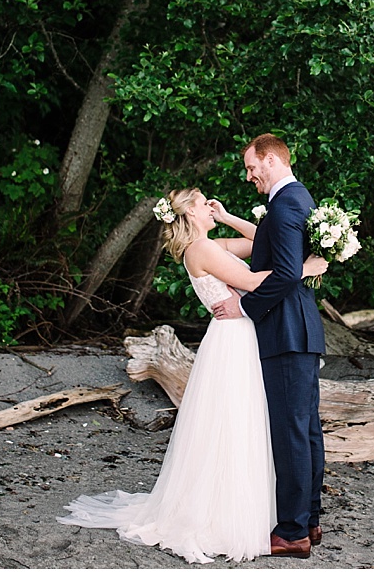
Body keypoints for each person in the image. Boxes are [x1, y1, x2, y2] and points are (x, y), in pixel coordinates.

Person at [57, 187, 327, 564]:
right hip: (233, 341)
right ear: (188, 215)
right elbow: (252, 283)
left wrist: (229, 216)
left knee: (246, 422)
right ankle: (228, 513)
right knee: (233, 424)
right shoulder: (200, 250)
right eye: (203, 204)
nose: (208, 206)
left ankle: (266, 511)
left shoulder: (212, 244)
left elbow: (260, 240)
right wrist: (304, 269)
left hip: (242, 335)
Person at [210, 133, 326, 559]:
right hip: (301, 330)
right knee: (307, 430)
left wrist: (244, 306)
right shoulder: (298, 198)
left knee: (292, 432)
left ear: (271, 159)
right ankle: (309, 519)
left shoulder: (286, 203)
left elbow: (282, 273)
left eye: (251, 166)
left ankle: (293, 531)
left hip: (287, 332)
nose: (249, 175)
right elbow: (282, 255)